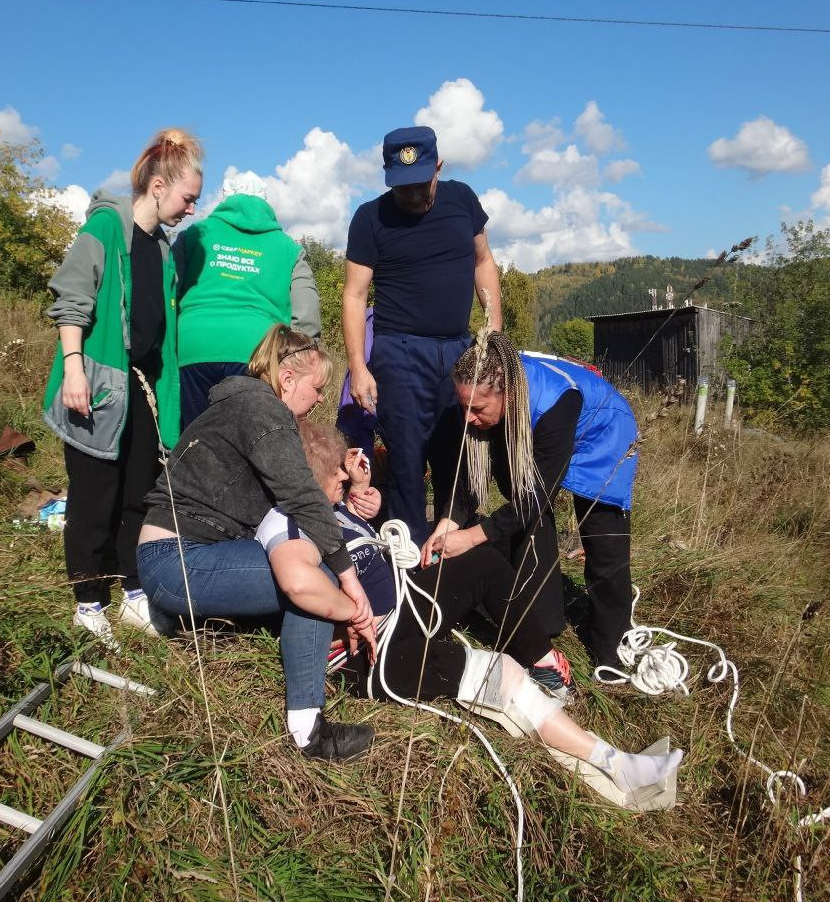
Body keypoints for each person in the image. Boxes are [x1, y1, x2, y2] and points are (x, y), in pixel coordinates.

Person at [260, 421, 681, 798]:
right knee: (501, 674)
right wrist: (351, 611)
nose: (344, 471)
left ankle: (543, 661)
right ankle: (618, 765)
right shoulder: (288, 524)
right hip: (376, 650)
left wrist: (354, 493)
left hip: (405, 607)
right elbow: (298, 580)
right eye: (335, 468)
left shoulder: (328, 509)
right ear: (310, 476)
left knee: (479, 562)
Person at [136, 325, 379, 762]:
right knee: (313, 583)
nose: (321, 398)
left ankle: (171, 616)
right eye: (318, 387)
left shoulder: (240, 402)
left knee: (305, 579)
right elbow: (302, 495)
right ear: (287, 379)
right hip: (177, 560)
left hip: (169, 556)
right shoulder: (264, 411)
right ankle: (309, 731)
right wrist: (352, 600)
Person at [43, 128, 203, 649]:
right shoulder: (107, 228)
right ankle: (88, 602)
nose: (190, 210)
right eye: (187, 199)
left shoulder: (163, 250)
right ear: (158, 187)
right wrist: (73, 370)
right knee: (94, 495)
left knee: (140, 493)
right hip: (94, 383)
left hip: (140, 390)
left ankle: (134, 589)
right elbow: (72, 297)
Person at [424, 331, 640, 670]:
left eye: (477, 409)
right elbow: (465, 478)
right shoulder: (479, 397)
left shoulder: (556, 403)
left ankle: (611, 650)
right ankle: (542, 615)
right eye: (463, 407)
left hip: (604, 434)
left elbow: (536, 497)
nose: (468, 418)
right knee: (524, 515)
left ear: (507, 394)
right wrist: (446, 525)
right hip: (530, 425)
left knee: (604, 542)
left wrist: (470, 537)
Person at [342, 125, 502, 546]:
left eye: (421, 184)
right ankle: (406, 558)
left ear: (439, 168)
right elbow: (355, 295)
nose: (414, 195)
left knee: (458, 455)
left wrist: (494, 329)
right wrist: (359, 367)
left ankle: (456, 551)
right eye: (403, 187)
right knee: (406, 460)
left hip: (459, 350)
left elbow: (483, 262)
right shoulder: (369, 218)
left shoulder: (463, 200)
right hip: (399, 352)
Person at [172, 174, 321, 428]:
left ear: (225, 199)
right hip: (257, 354)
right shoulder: (288, 248)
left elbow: (169, 288)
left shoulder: (194, 235)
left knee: (194, 442)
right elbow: (306, 315)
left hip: (194, 349)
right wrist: (305, 364)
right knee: (249, 445)